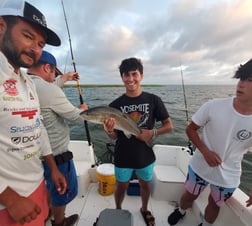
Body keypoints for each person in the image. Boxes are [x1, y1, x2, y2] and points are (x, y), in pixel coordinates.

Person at [0, 1, 67, 226]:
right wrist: (10, 200)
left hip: (36, 184)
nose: (35, 49)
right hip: (8, 203)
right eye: (27, 36)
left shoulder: (27, 81)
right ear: (1, 27)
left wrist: (52, 168)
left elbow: (38, 128)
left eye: (40, 44)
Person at [167, 59, 252, 226]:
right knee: (189, 195)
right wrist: (205, 152)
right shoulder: (213, 106)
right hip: (199, 166)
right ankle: (181, 210)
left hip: (229, 175)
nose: (241, 85)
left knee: (214, 204)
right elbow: (190, 129)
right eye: (241, 78)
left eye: (250, 80)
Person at [103, 57, 174, 226]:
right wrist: (109, 131)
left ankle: (144, 208)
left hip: (145, 155)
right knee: (121, 186)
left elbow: (169, 126)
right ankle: (118, 209)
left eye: (134, 74)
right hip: (123, 155)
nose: (130, 79)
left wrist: (153, 132)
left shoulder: (153, 100)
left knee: (145, 185)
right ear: (121, 78)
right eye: (126, 75)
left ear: (141, 75)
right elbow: (114, 137)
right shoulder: (115, 105)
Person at [27, 50, 88, 226]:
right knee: (61, 193)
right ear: (47, 67)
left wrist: (65, 78)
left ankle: (46, 215)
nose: (55, 77)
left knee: (45, 189)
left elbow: (49, 87)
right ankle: (59, 222)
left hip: (34, 156)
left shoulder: (24, 84)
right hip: (56, 156)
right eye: (54, 72)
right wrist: (83, 109)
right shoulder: (50, 90)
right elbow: (77, 117)